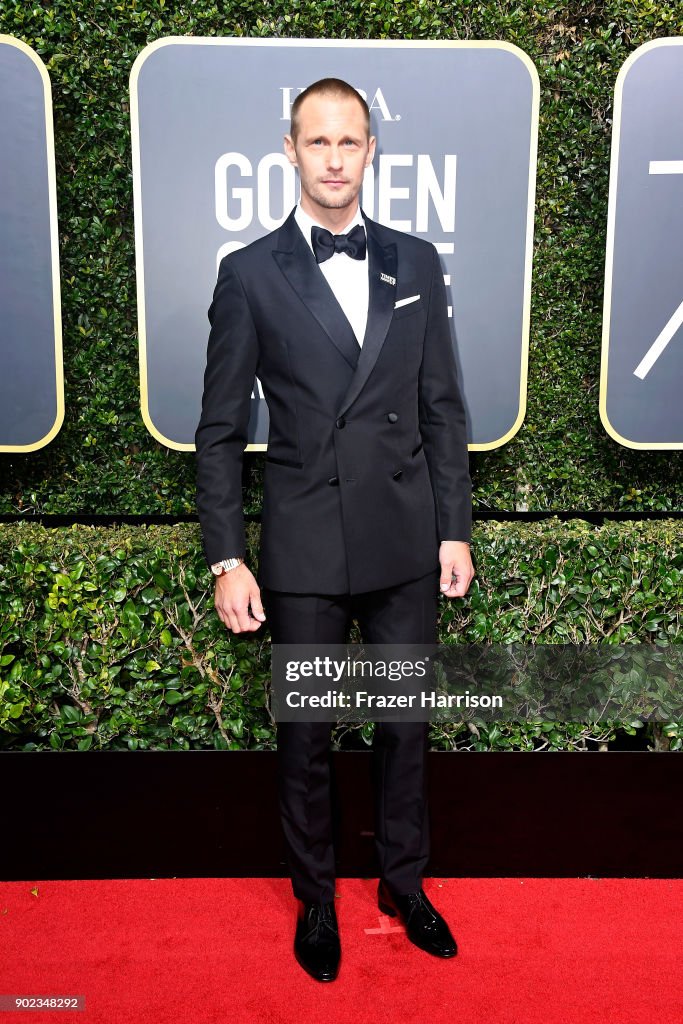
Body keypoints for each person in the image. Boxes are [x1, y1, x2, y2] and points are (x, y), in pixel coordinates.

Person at [194, 77, 474, 982]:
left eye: (349, 141)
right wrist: (226, 557)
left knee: (403, 725)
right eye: (318, 142)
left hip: (403, 539)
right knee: (306, 736)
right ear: (290, 150)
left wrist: (454, 530)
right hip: (305, 546)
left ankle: (403, 882)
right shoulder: (248, 274)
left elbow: (441, 409)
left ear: (369, 152)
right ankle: (316, 898)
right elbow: (219, 433)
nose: (334, 158)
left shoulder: (416, 262)